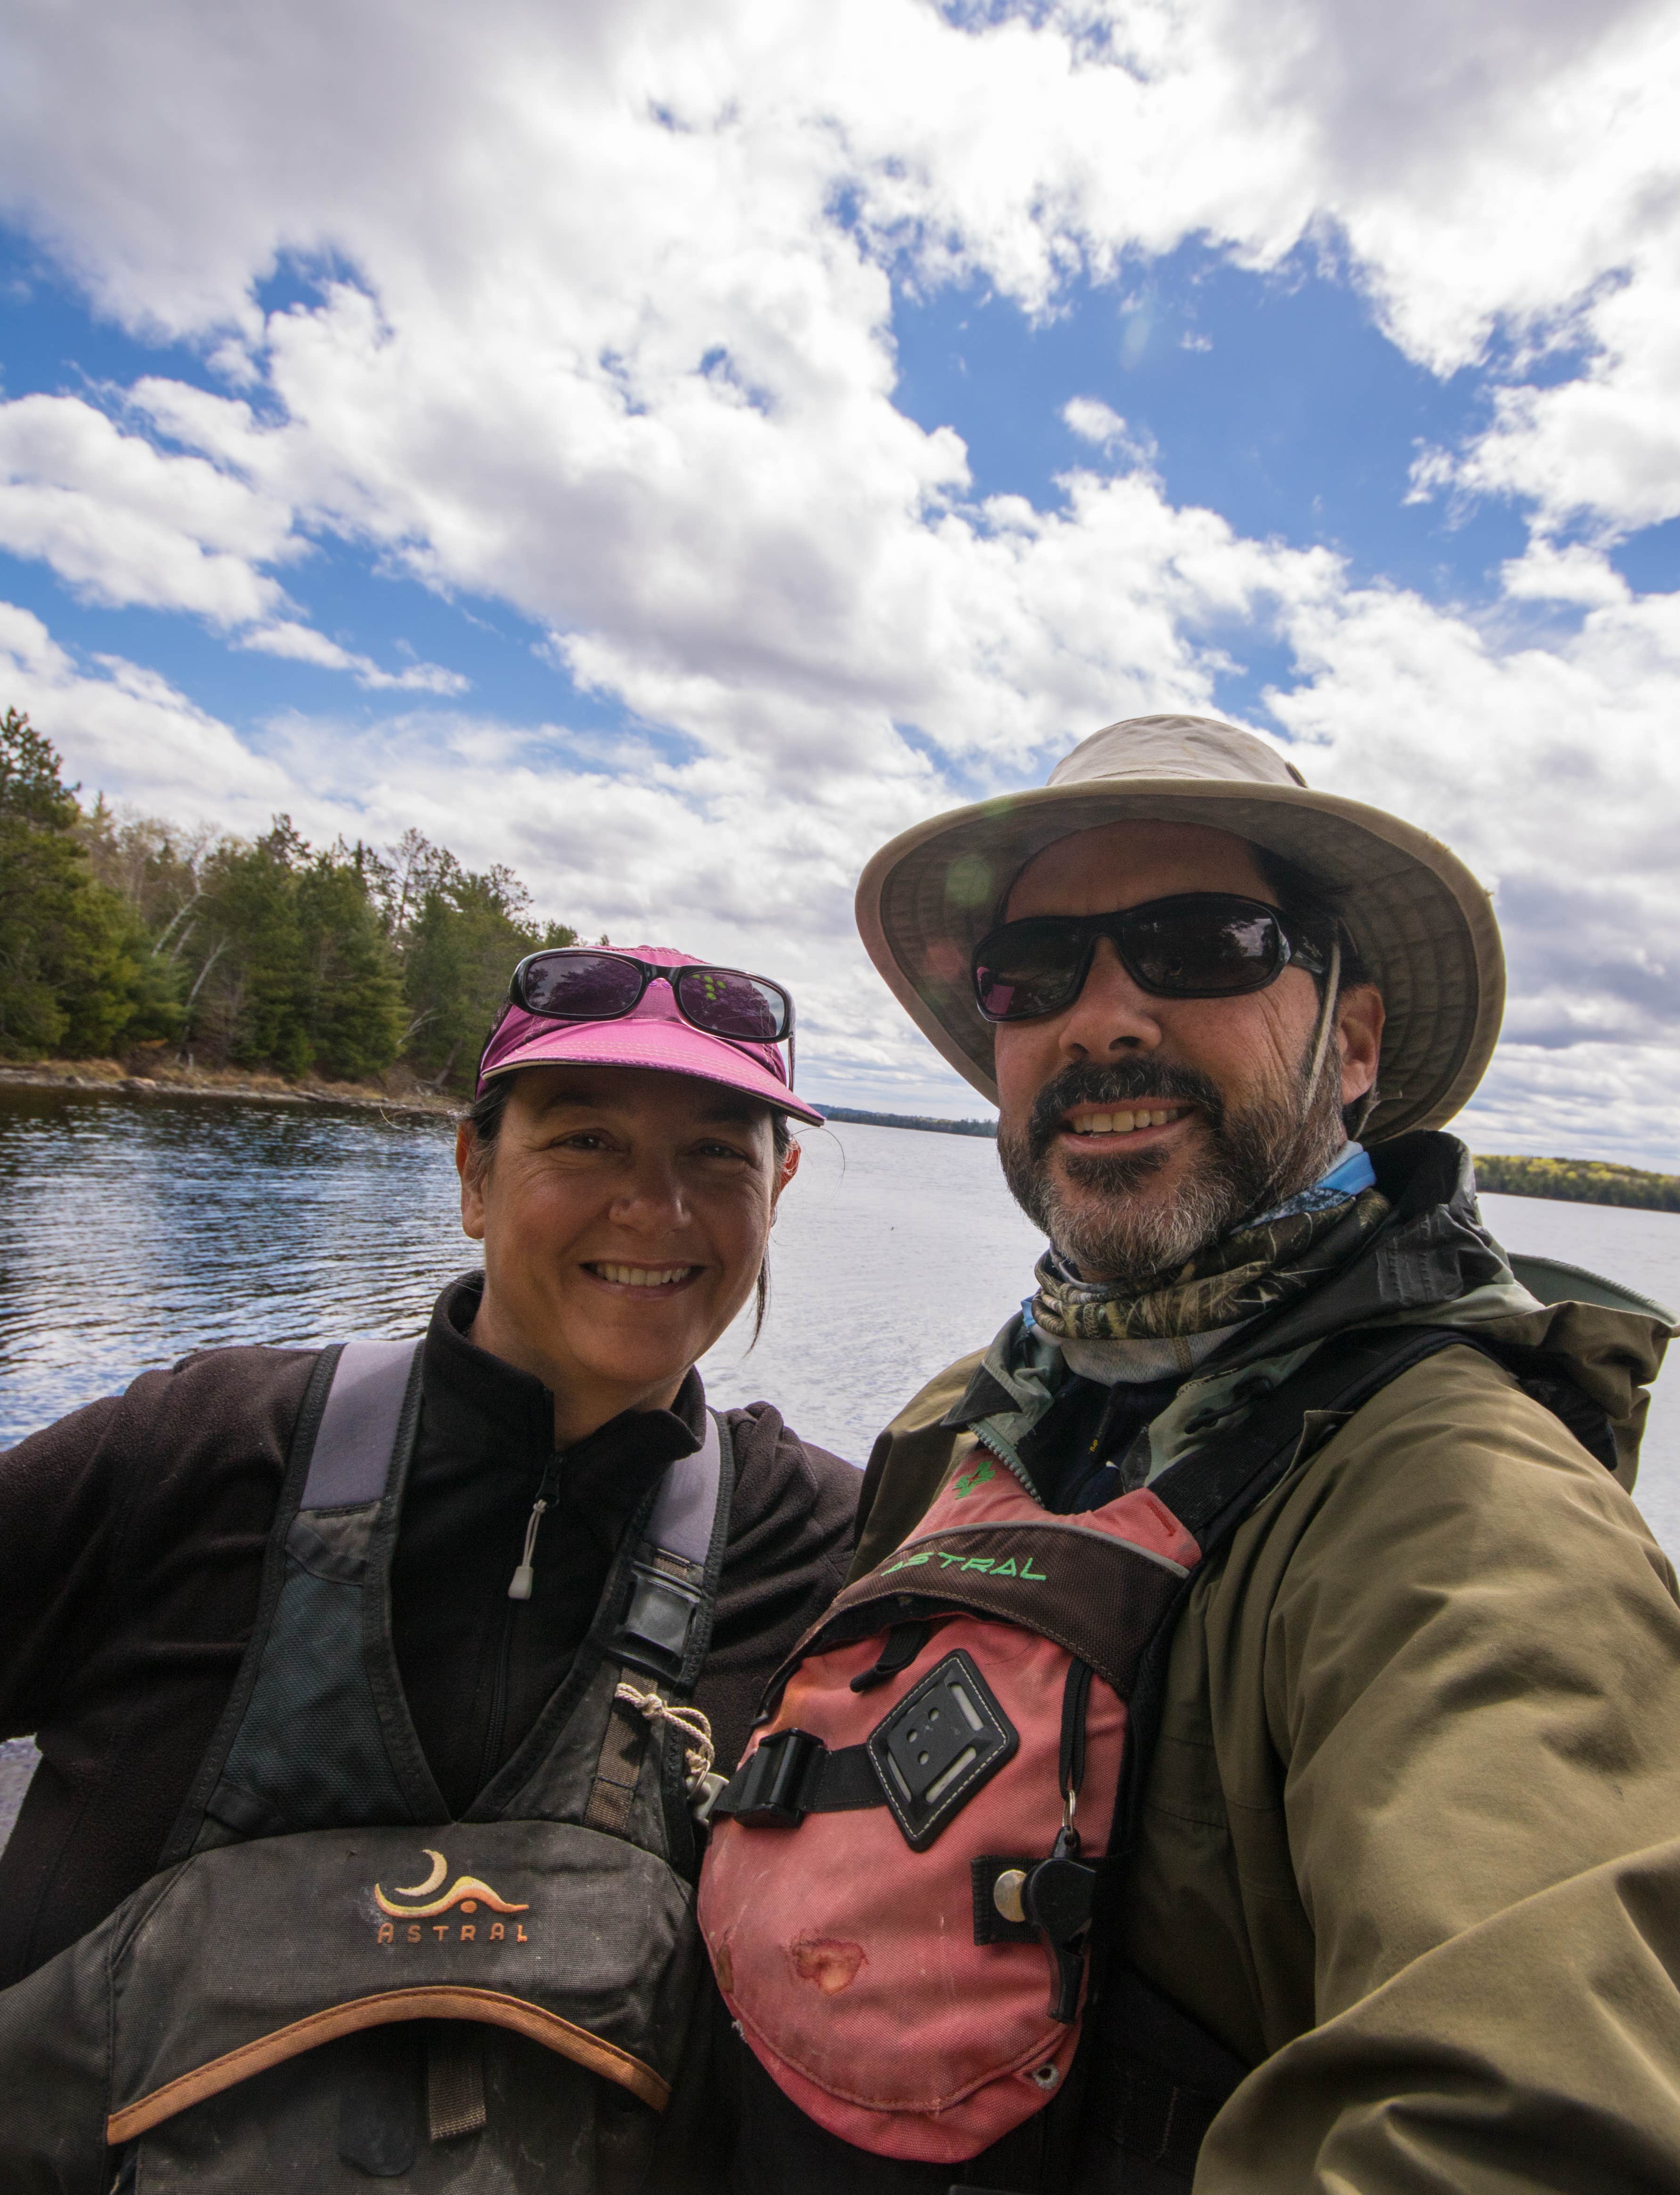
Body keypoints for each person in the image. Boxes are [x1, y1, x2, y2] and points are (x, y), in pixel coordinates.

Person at [700, 716, 1680, 2193]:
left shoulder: (1466, 1509)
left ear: (1350, 1043)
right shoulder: (965, 1422)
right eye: (1036, 974)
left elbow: (1530, 2116)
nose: (1102, 1020)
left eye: (1201, 943)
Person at [0, 942, 857, 2192]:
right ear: (473, 1174)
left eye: (716, 1155)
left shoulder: (824, 1544)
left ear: (777, 1187)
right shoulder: (197, 1451)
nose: (655, 1209)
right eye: (585, 1140)